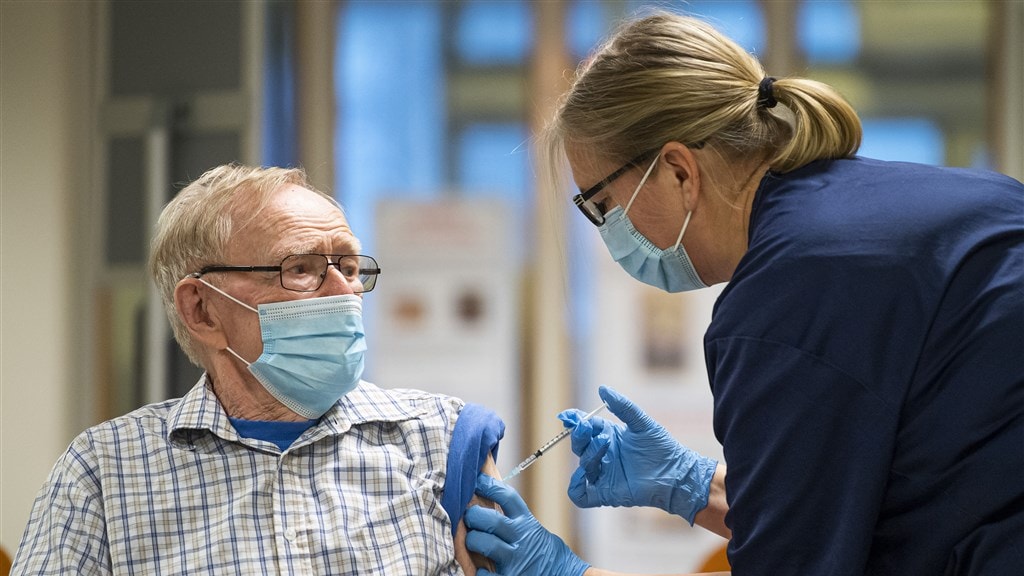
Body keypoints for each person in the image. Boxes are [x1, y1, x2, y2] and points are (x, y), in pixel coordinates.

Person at [464, 10, 1023, 576]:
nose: (608, 232)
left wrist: (562, 571)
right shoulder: (950, 199)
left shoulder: (785, 301)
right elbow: (844, 506)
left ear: (679, 170)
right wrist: (689, 483)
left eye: (601, 206)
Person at [12, 164, 505, 575]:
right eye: (301, 269)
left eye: (350, 268)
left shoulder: (440, 442)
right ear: (202, 310)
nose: (344, 292)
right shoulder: (104, 473)